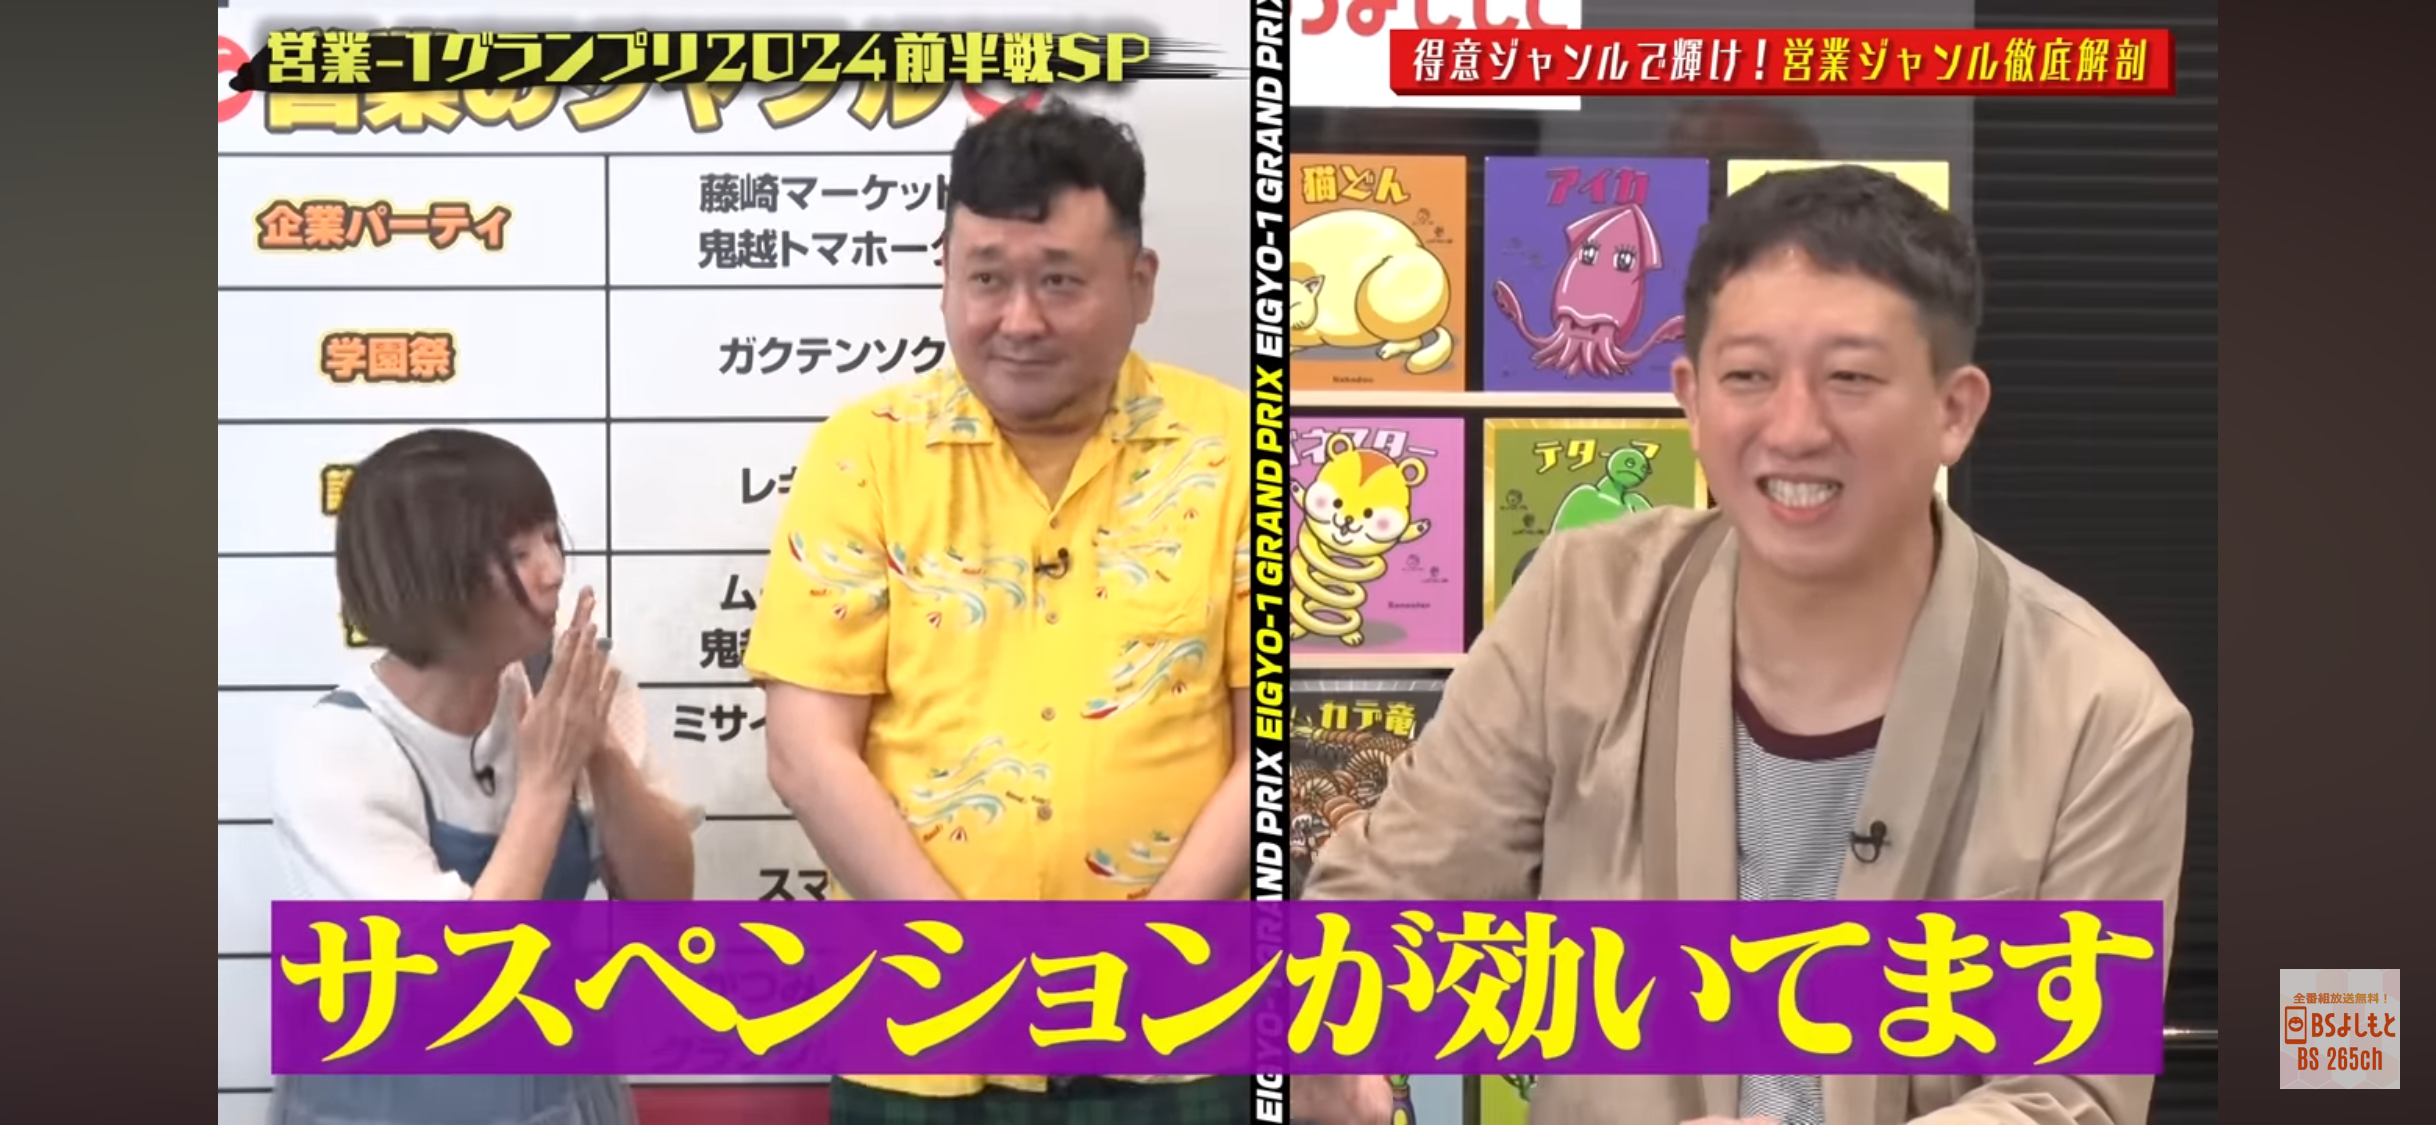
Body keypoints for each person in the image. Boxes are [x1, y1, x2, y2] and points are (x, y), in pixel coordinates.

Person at [1293, 166, 2193, 1125]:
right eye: (1749, 377)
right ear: (1690, 397)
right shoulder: (1582, 602)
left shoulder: (2104, 711)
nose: (1794, 428)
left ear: (1954, 411)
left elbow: (2072, 1093)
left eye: (1852, 378)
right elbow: (1394, 891)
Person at [741, 99, 1255, 1123]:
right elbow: (806, 752)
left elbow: (1272, 748)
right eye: (986, 279)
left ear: (1139, 283)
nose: (1018, 320)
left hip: (1175, 1034)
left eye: (1059, 280)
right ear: (946, 275)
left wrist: (1140, 966)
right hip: (918, 1032)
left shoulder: (1240, 452)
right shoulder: (868, 453)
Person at [268, 428, 703, 1125]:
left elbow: (664, 905)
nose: (553, 571)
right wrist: (547, 780)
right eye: (517, 553)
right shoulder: (340, 749)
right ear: (426, 576)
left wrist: (596, 750)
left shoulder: (575, 686)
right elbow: (461, 983)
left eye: (551, 539)